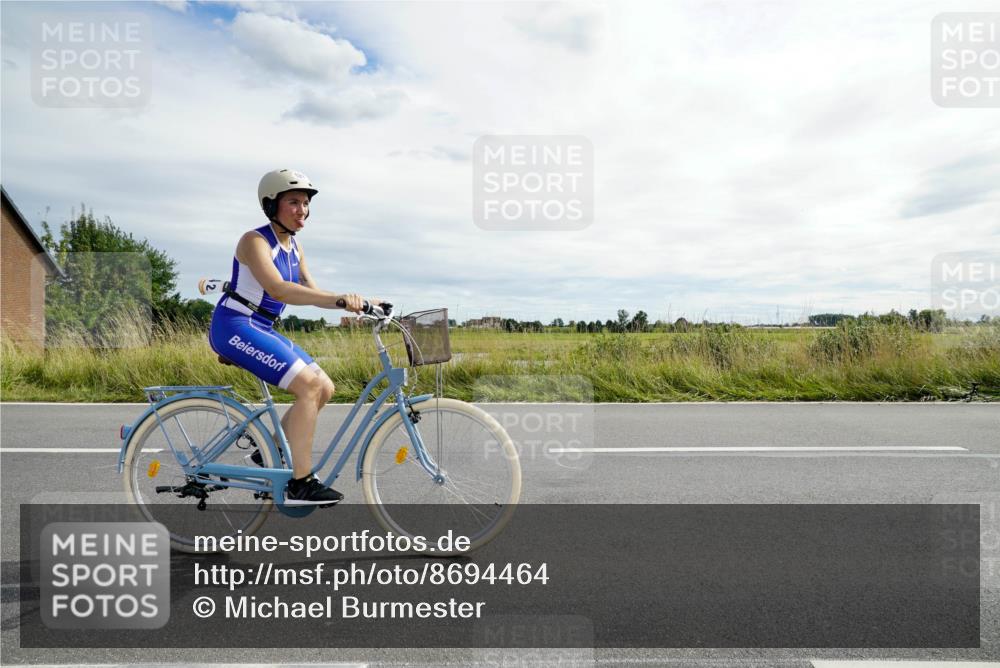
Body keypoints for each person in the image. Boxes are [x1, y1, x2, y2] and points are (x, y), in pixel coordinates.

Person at [208, 169, 376, 505]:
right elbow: (279, 288)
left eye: (305, 203)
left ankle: (268, 452)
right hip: (234, 326)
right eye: (294, 202)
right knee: (308, 387)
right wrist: (338, 298)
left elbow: (312, 292)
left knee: (325, 387)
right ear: (272, 206)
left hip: (261, 328)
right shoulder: (254, 241)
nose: (303, 210)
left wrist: (365, 303)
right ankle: (302, 482)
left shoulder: (294, 248)